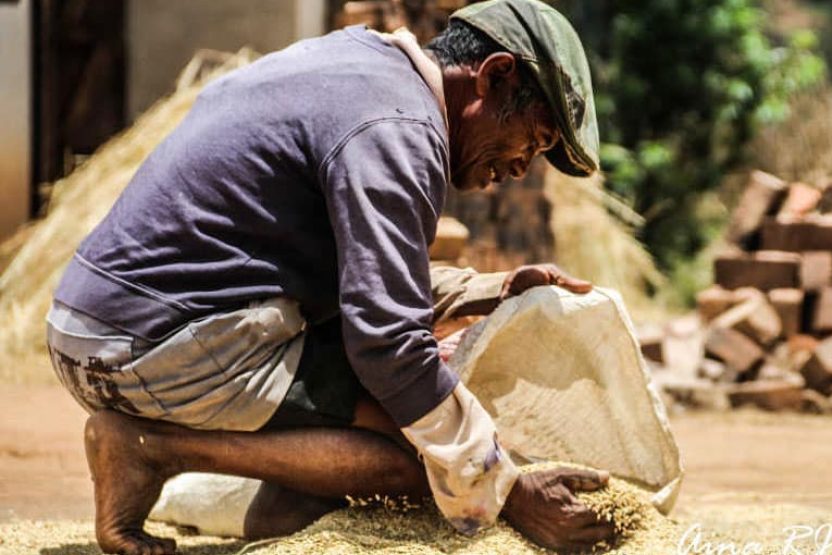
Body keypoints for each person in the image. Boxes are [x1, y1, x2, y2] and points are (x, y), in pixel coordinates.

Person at [46, 1, 612, 553]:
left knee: (409, 424)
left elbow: (367, 280)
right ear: (494, 75)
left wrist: (491, 290)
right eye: (534, 141)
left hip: (93, 328)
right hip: (150, 342)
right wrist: (508, 490)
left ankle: (273, 505)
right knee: (420, 457)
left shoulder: (362, 66)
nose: (520, 167)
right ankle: (153, 450)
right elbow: (389, 346)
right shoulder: (398, 129)